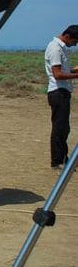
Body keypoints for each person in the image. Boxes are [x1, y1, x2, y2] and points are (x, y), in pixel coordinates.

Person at [44, 25, 78, 169]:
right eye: (75, 41)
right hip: (58, 92)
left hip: (61, 91)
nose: (75, 45)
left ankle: (63, 158)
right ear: (67, 36)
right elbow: (57, 75)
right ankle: (58, 161)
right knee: (60, 127)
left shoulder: (59, 48)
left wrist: (73, 71)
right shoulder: (55, 49)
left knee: (64, 127)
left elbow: (61, 71)